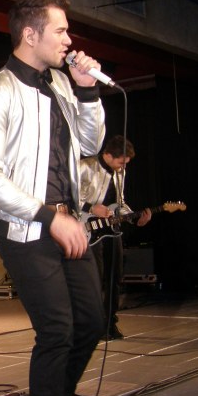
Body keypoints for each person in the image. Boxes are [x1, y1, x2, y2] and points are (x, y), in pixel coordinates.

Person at [0, 0, 106, 396]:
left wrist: (87, 92)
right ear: (30, 34)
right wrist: (49, 217)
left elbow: (91, 144)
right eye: (61, 30)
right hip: (26, 228)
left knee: (91, 322)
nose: (69, 40)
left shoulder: (63, 85)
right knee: (57, 331)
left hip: (68, 221)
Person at [79, 136, 152, 340]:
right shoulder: (84, 167)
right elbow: (68, 196)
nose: (123, 167)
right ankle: (92, 325)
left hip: (111, 228)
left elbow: (120, 202)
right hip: (88, 228)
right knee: (95, 277)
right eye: (121, 162)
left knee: (115, 275)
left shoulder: (120, 173)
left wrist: (134, 217)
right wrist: (91, 208)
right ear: (108, 155)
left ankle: (109, 323)